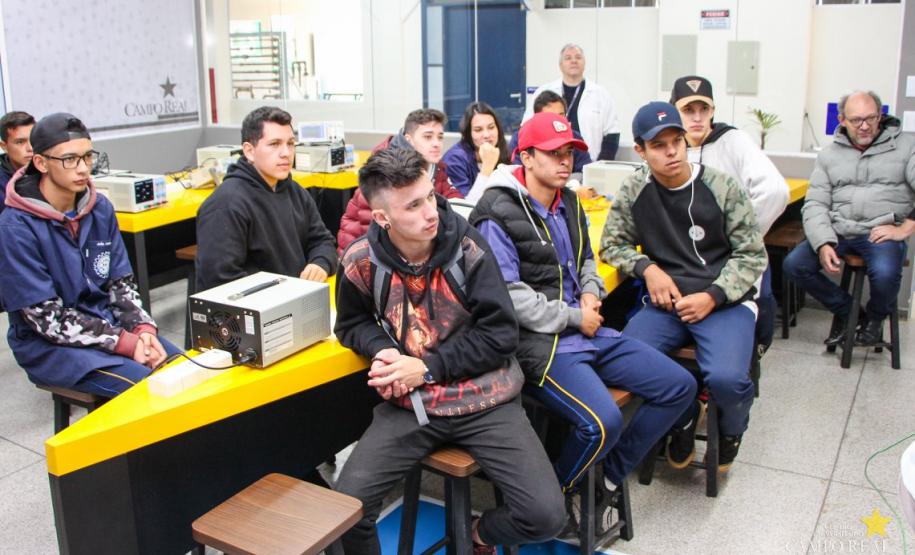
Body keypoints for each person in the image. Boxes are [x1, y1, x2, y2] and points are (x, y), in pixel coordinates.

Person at [470, 112, 695, 537]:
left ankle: (606, 477)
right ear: (527, 156)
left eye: (569, 152)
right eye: (554, 154)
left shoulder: (569, 200)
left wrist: (591, 292)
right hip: (539, 344)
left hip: (585, 328)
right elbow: (509, 297)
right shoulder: (496, 211)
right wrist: (576, 316)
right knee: (602, 422)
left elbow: (586, 259)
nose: (565, 161)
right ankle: (554, 499)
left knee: (679, 387)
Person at [334, 147, 564, 554]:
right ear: (383, 218)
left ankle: (481, 534)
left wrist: (424, 367)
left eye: (429, 197)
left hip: (486, 400)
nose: (431, 212)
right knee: (346, 512)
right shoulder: (359, 262)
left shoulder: (470, 249)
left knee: (545, 515)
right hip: (413, 407)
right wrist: (383, 351)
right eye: (414, 205)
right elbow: (351, 324)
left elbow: (500, 336)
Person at [600, 102, 767, 472]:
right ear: (640, 151)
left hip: (723, 299)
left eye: (677, 141)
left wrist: (714, 295)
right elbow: (611, 245)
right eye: (658, 145)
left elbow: (753, 255)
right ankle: (685, 415)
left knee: (726, 379)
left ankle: (732, 430)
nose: (672, 151)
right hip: (666, 303)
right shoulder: (634, 189)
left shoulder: (721, 187)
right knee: (623, 364)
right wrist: (648, 268)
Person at [0, 113, 179, 396]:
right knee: (152, 393)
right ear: (41, 163)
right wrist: (125, 343)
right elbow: (47, 319)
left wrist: (143, 329)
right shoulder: (15, 227)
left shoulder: (100, 209)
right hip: (50, 346)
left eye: (87, 157)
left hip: (109, 326)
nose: (83, 169)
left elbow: (121, 285)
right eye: (69, 159)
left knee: (185, 375)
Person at [783, 90, 915, 347]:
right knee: (794, 265)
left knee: (886, 274)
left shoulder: (907, 147)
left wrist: (906, 228)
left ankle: (875, 321)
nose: (864, 126)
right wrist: (822, 242)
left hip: (881, 232)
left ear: (881, 116)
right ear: (842, 120)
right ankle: (853, 313)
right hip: (839, 229)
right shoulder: (829, 155)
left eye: (871, 118)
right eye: (856, 120)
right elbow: (816, 203)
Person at [670, 75, 789, 349]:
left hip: (732, 261)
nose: (697, 118)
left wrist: (736, 238)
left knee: (753, 318)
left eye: (704, 110)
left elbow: (775, 192)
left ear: (713, 111)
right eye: (688, 110)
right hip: (685, 263)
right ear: (675, 111)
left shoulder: (732, 141)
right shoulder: (671, 147)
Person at [196, 106, 336, 291]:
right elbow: (221, 282)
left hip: (295, 302)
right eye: (274, 144)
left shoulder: (295, 191)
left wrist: (320, 263)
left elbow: (322, 241)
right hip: (255, 312)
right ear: (249, 151)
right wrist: (283, 295)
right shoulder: (225, 206)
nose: (286, 153)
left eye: (290, 143)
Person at [336, 108, 461, 254]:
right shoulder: (382, 174)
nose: (436, 144)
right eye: (428, 137)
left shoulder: (432, 164)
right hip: (367, 258)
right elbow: (367, 228)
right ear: (408, 139)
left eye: (440, 137)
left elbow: (450, 193)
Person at [523, 44, 620, 161]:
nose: (574, 61)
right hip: (549, 163)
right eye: (568, 58)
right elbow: (527, 128)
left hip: (590, 164)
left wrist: (600, 166)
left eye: (578, 57)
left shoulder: (601, 94)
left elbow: (612, 134)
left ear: (584, 63)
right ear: (560, 65)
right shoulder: (542, 92)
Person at [508, 90, 592, 174]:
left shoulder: (574, 137)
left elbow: (586, 171)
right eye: (550, 117)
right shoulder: (520, 138)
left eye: (561, 116)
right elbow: (517, 171)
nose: (556, 121)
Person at [442, 101, 511, 202]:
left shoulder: (502, 149)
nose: (487, 135)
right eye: (478, 130)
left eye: (491, 127)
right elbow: (466, 208)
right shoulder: (455, 159)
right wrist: (487, 166)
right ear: (468, 133)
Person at [0, 111, 35, 209]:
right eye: (20, 142)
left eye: (33, 140)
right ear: (4, 146)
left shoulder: (51, 173)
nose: (30, 148)